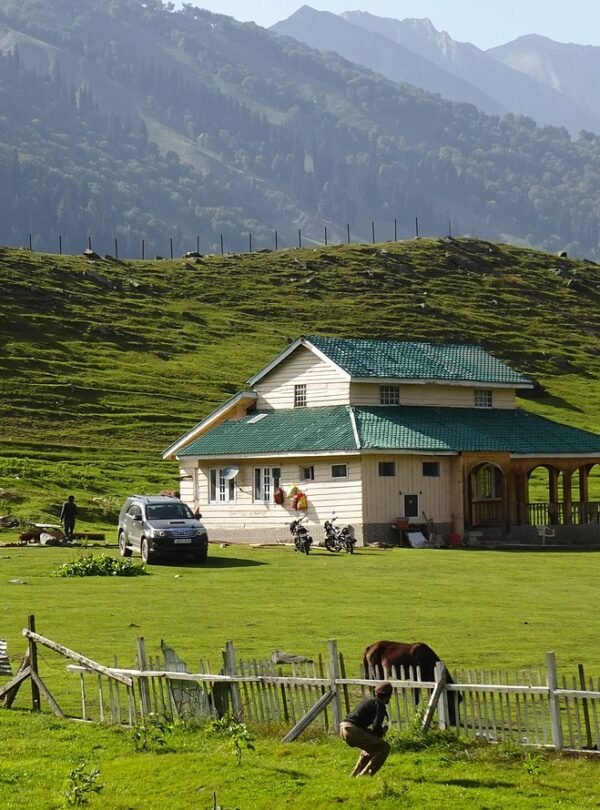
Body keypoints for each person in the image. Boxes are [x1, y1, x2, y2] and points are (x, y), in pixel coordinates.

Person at [339, 682, 392, 776]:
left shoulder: (369, 700)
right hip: (353, 730)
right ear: (388, 695)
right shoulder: (379, 704)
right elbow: (376, 726)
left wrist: (375, 734)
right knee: (384, 747)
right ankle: (365, 775)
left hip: (344, 727)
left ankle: (355, 774)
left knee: (372, 747)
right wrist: (381, 732)